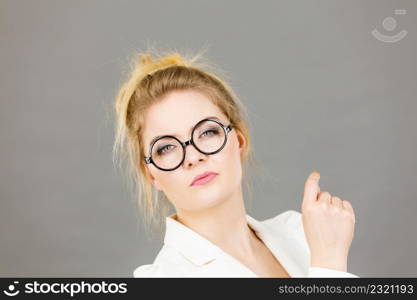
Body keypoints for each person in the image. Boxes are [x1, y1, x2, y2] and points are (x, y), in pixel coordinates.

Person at [112, 48, 359, 278]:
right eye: (166, 147)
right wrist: (329, 263)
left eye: (207, 132)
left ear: (239, 141)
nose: (194, 157)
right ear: (151, 174)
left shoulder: (300, 232)